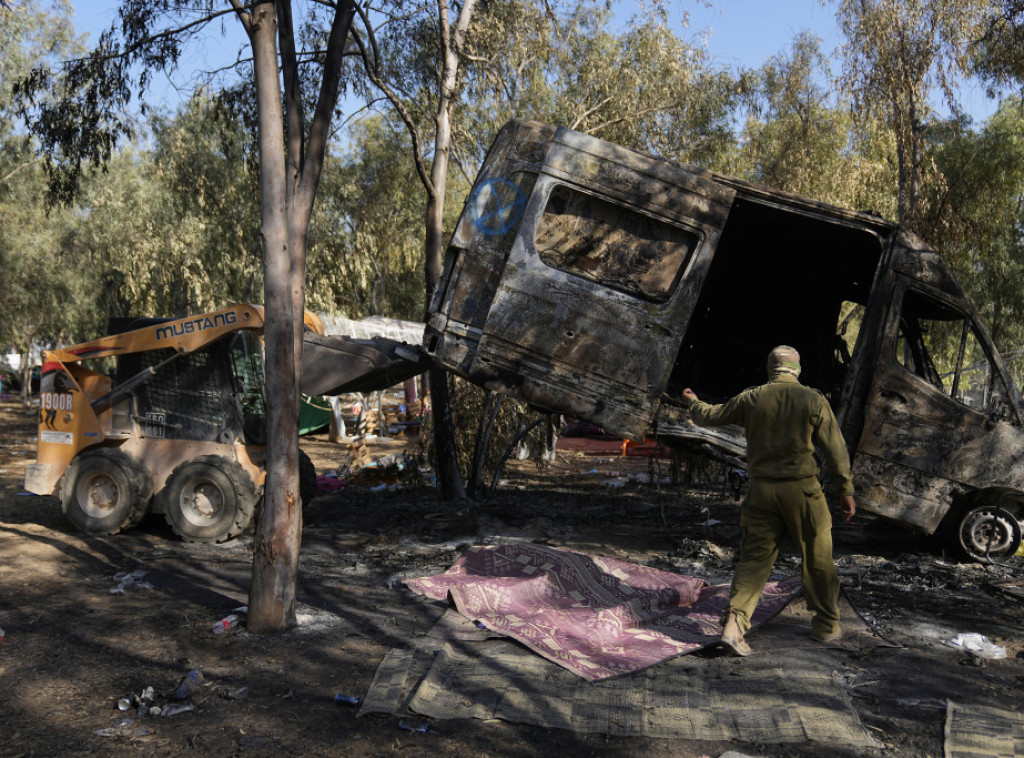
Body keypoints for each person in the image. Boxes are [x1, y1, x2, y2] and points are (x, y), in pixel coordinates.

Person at [681, 345, 856, 656]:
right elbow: (836, 449)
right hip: (803, 493)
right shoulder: (813, 399)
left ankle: (734, 625)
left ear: (771, 368)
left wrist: (693, 402)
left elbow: (711, 416)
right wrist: (846, 489)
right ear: (796, 369)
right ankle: (827, 625)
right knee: (818, 558)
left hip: (762, 492)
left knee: (754, 560)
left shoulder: (751, 397)